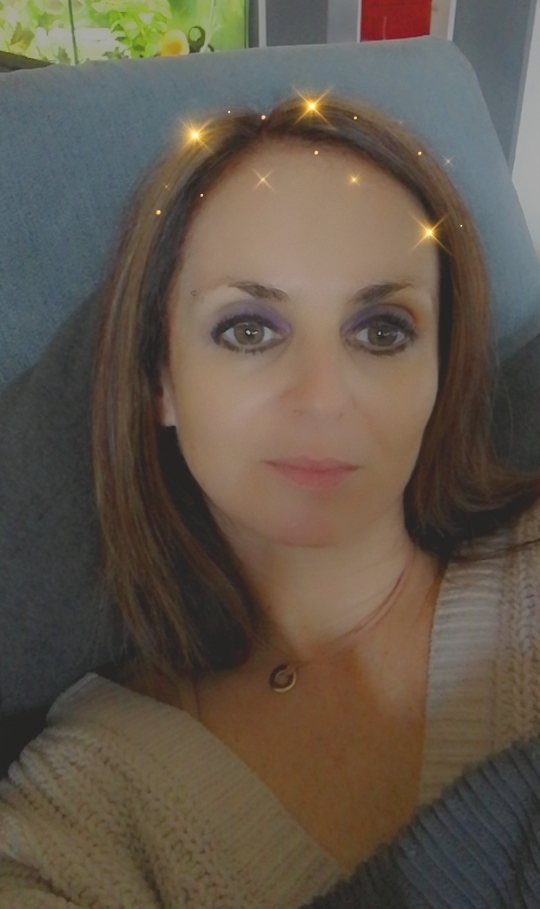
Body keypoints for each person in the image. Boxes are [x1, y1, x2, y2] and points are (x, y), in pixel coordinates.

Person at [1, 95, 540, 907]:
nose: (322, 400)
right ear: (159, 380)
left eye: (383, 331)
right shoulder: (84, 811)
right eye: (248, 330)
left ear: (441, 369)